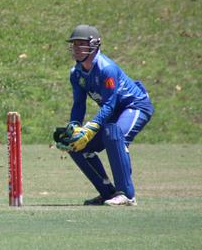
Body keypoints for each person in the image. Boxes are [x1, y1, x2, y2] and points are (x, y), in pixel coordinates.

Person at [55, 25, 154, 206]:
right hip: (114, 111)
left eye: (81, 44)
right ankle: (108, 193)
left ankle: (126, 194)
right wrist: (75, 127)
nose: (77, 48)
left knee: (113, 134)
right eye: (74, 44)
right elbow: (79, 104)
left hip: (135, 106)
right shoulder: (75, 73)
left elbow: (110, 104)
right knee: (77, 145)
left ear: (94, 45)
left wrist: (91, 127)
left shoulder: (107, 69)